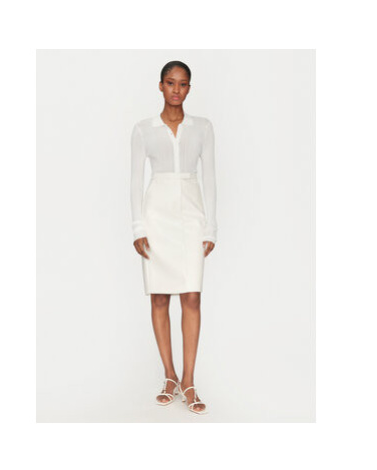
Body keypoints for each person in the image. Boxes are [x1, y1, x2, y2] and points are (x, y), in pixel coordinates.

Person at [130, 61, 217, 415]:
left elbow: (210, 177)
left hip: (191, 215)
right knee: (160, 298)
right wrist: (138, 227)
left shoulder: (203, 128)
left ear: (189, 88)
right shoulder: (143, 130)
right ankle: (170, 375)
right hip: (156, 216)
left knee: (192, 296)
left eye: (182, 84)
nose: (176, 90)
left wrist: (210, 226)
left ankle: (189, 380)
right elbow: (136, 180)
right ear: (161, 86)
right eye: (170, 83)